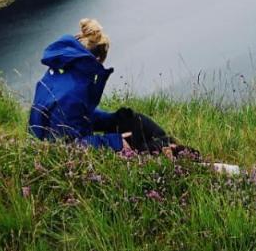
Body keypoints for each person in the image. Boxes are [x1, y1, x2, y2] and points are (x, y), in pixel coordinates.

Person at [28, 18, 189, 155]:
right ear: (97, 60)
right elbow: (66, 145)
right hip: (59, 159)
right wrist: (113, 143)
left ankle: (174, 150)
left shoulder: (60, 75)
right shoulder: (73, 92)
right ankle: (182, 157)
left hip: (48, 144)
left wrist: (111, 119)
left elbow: (76, 117)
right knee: (141, 146)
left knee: (132, 120)